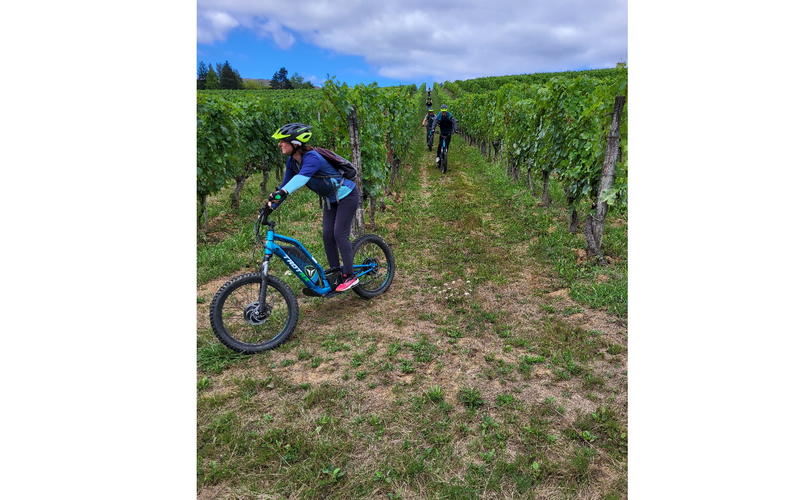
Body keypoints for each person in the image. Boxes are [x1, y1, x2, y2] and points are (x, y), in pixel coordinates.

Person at [268, 122, 361, 292]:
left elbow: (300, 180)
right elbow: (286, 185)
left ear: (295, 143)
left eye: (283, 141)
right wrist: (270, 205)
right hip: (330, 199)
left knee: (339, 234)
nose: (279, 144)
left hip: (347, 195)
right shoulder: (292, 162)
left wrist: (282, 191)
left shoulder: (312, 158)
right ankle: (336, 273)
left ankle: (350, 275)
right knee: (327, 235)